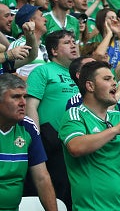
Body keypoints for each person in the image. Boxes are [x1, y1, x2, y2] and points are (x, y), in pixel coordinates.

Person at [59, 60, 120, 211]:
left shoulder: (118, 118)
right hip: (91, 208)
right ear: (90, 86)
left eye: (114, 79)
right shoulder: (75, 114)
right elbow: (75, 147)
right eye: (107, 79)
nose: (114, 83)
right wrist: (115, 130)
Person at [25, 29, 79, 208]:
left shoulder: (80, 75)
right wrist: (36, 141)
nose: (73, 45)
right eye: (67, 42)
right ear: (54, 51)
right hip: (52, 143)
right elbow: (30, 106)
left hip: (78, 142)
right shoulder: (43, 71)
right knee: (57, 195)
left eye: (74, 41)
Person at [0, 73, 58, 211]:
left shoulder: (28, 127)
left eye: (24, 97)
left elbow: (42, 178)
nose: (23, 103)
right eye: (15, 97)